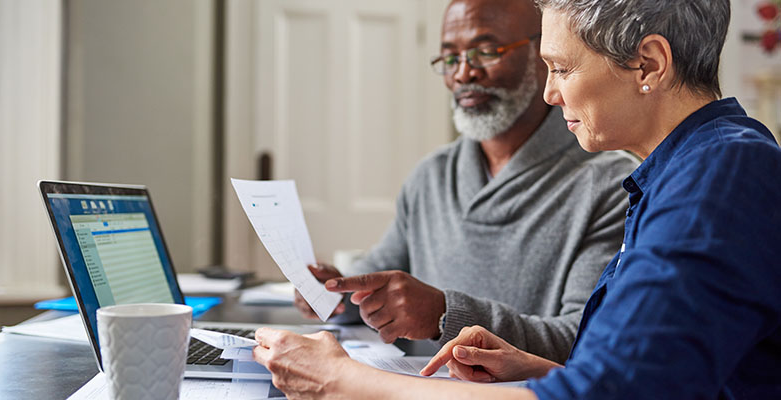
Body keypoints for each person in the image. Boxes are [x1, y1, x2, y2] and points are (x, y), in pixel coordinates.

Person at [253, 0, 781, 398]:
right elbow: (642, 378)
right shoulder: (680, 172)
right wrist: (532, 368)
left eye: (562, 68)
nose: (551, 93)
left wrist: (344, 380)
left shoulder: (721, 173)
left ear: (648, 64)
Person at [294, 0, 638, 364]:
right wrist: (339, 294)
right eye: (450, 58)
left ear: (544, 55)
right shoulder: (432, 176)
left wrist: (445, 315)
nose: (463, 74)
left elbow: (583, 336)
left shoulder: (609, 184)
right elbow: (382, 280)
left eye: (486, 51)